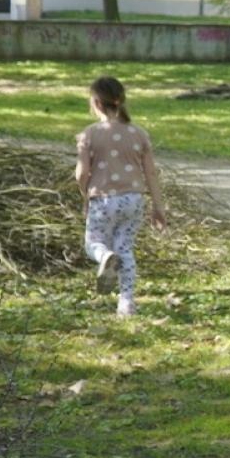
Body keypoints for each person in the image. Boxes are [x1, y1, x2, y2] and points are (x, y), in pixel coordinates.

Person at [74, 77, 167, 317]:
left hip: (103, 199)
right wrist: (158, 207)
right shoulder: (139, 134)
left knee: (93, 243)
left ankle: (105, 256)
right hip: (134, 200)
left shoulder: (89, 135)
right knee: (125, 248)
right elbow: (151, 174)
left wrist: (85, 193)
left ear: (95, 103)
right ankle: (126, 303)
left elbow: (82, 172)